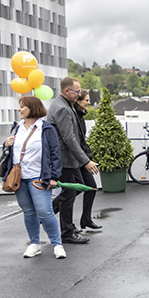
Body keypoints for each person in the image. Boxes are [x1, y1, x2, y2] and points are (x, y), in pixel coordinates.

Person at [3, 95, 65, 260]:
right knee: (29, 212)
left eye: (22, 106)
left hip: (39, 176)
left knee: (45, 211)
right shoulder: (17, 127)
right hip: (19, 177)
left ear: (32, 108)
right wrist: (6, 144)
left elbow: (55, 154)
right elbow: (11, 151)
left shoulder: (47, 128)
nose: (19, 109)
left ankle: (57, 244)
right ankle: (34, 244)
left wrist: (54, 177)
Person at [47, 77, 98, 244]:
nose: (79, 94)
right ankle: (67, 232)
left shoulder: (64, 105)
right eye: (77, 91)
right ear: (66, 91)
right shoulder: (62, 108)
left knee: (76, 189)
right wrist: (86, 161)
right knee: (69, 194)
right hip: (65, 160)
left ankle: (61, 223)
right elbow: (69, 139)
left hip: (69, 159)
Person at [73, 91, 102, 232]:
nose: (89, 103)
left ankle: (86, 219)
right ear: (78, 101)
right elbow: (75, 142)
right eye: (86, 100)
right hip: (77, 160)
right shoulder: (74, 116)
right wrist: (86, 159)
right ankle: (48, 214)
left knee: (91, 187)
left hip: (82, 158)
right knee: (74, 190)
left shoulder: (80, 116)